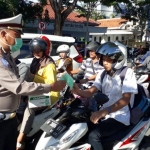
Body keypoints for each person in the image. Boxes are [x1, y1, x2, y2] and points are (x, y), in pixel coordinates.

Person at [0, 14, 66, 150]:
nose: (19, 39)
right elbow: (19, 85)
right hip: (2, 120)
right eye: (16, 34)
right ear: (3, 34)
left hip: (12, 117)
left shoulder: (8, 57)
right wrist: (51, 86)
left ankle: (22, 137)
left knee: (29, 108)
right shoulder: (4, 59)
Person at [71, 41, 138, 150]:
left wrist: (104, 111)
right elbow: (91, 91)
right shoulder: (102, 74)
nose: (105, 63)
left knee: (94, 136)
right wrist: (78, 91)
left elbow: (125, 100)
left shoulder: (127, 72)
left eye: (109, 60)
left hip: (120, 116)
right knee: (81, 129)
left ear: (118, 60)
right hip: (104, 114)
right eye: (104, 59)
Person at [17, 36, 60, 149]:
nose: (36, 53)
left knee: (29, 108)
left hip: (49, 96)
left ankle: (20, 138)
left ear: (44, 51)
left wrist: (34, 76)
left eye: (39, 51)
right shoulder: (35, 61)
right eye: (34, 51)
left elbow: (51, 84)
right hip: (37, 92)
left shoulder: (49, 64)